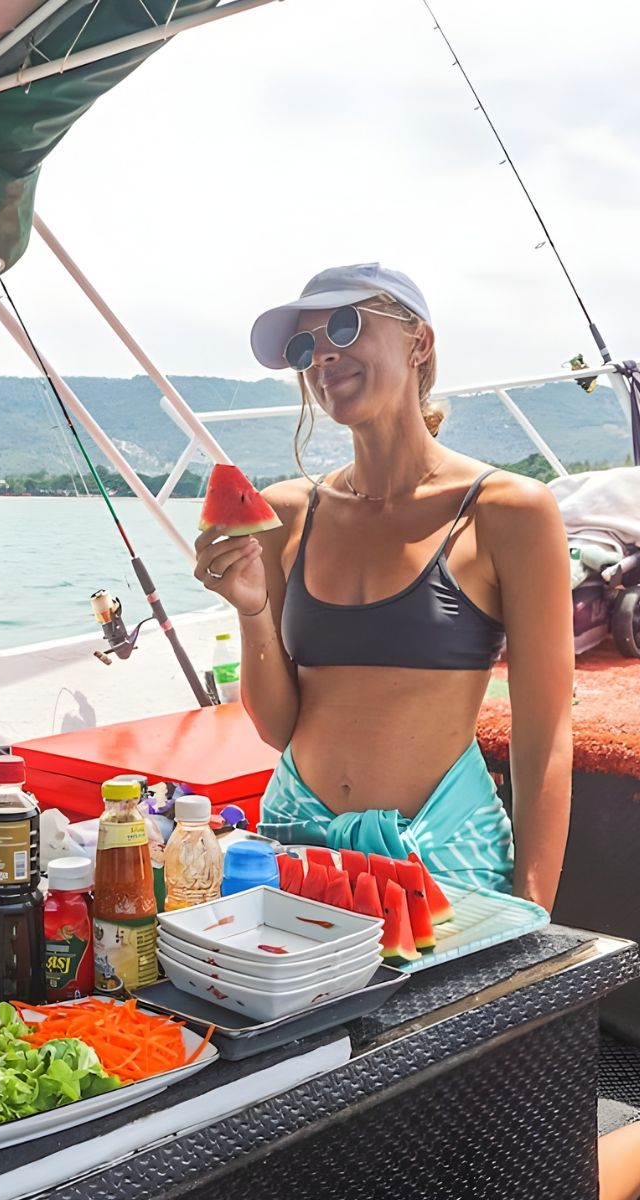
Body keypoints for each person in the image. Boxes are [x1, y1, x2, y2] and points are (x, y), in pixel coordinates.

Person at [195, 263, 573, 910]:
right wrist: (254, 612)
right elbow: (278, 726)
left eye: (345, 325)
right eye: (304, 346)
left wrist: (533, 911)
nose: (323, 357)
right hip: (294, 842)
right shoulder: (287, 513)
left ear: (418, 342)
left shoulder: (508, 510)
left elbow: (544, 736)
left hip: (443, 852)